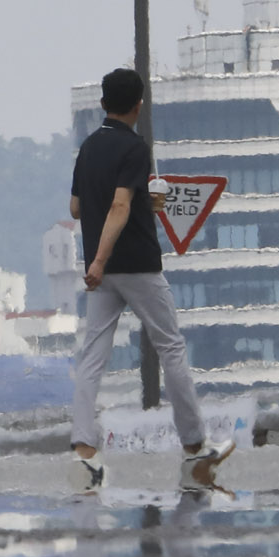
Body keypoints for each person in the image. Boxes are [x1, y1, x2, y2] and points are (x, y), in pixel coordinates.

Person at [67, 67, 233, 493]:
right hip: (137, 265)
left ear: (103, 103)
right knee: (170, 347)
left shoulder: (88, 148)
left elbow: (76, 208)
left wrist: (97, 261)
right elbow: (120, 207)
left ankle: (84, 449)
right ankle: (195, 446)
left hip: (100, 274)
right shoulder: (135, 148)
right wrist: (104, 258)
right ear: (139, 106)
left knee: (92, 356)